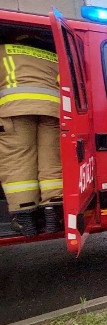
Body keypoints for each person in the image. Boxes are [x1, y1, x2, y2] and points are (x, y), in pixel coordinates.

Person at [0, 38, 63, 236]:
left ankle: (25, 217)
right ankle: (53, 211)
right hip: (52, 111)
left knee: (18, 159)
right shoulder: (54, 56)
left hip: (15, 110)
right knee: (51, 160)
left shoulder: (4, 51)